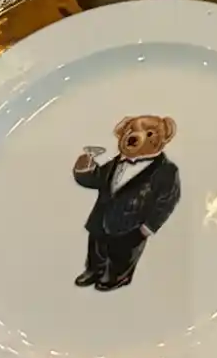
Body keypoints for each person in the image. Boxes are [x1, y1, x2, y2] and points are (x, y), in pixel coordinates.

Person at [72, 113, 181, 291]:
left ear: (163, 139)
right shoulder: (116, 163)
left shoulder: (166, 171)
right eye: (131, 130)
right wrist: (85, 168)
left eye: (150, 133)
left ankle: (117, 277)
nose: (133, 136)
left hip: (131, 226)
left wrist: (148, 227)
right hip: (101, 218)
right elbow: (96, 179)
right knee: (97, 248)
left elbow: (167, 202)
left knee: (121, 256)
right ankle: (94, 270)